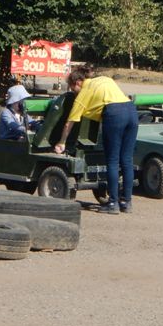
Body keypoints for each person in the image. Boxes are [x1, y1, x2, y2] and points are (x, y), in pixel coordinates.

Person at [53, 66, 138, 215]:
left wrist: (61, 142)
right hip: (131, 111)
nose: (73, 92)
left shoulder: (83, 93)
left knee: (112, 160)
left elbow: (69, 123)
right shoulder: (104, 79)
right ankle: (126, 202)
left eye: (72, 88)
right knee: (127, 160)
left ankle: (113, 203)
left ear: (78, 82)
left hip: (114, 114)